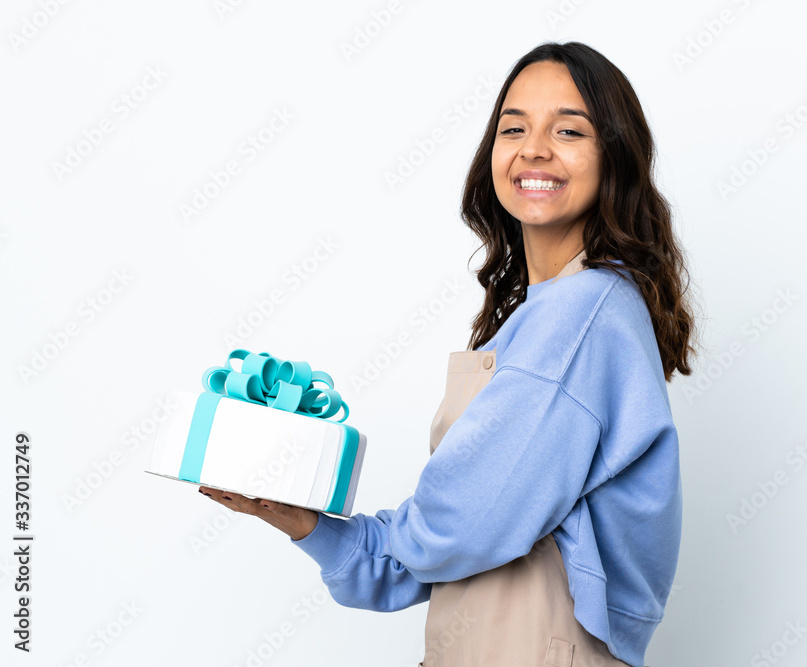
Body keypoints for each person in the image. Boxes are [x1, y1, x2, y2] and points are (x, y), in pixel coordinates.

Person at [200, 40, 699, 667]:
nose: (534, 148)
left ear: (615, 157)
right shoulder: (555, 311)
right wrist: (304, 520)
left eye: (569, 129)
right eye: (513, 127)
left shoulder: (582, 313)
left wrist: (392, 542)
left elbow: (465, 523)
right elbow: (435, 552)